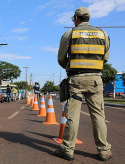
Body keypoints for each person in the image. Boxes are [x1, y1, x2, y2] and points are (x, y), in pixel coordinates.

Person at [55, 7, 112, 161]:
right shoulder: (103, 34)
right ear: (88, 18)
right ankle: (104, 151)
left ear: (76, 19)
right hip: (95, 80)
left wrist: (70, 66)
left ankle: (67, 149)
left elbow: (61, 58)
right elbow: (104, 58)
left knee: (73, 117)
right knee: (98, 116)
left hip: (76, 80)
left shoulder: (69, 34)